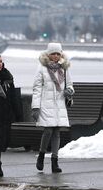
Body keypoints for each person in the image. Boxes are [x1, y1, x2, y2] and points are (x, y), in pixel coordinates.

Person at [31, 42, 74, 173]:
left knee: (57, 132)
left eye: (58, 53)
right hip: (45, 104)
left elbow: (70, 85)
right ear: (48, 54)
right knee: (48, 130)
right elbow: (37, 88)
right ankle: (41, 155)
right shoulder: (41, 68)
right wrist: (35, 107)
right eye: (53, 54)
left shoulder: (64, 68)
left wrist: (69, 91)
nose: (55, 56)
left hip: (59, 104)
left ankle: (55, 161)